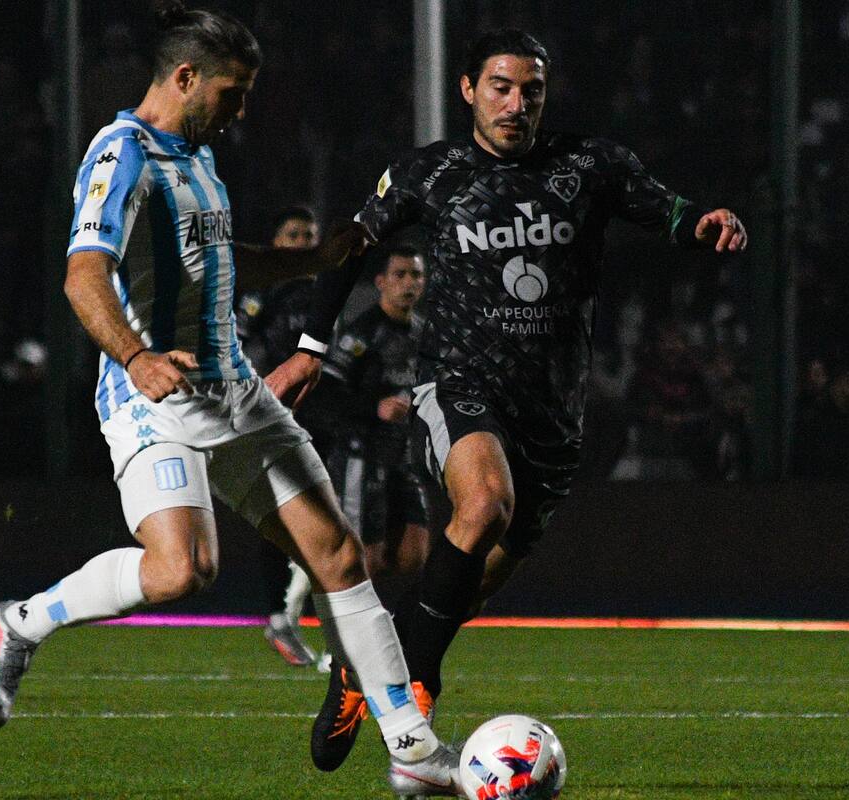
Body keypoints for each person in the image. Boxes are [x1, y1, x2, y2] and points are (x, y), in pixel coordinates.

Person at [0, 4, 460, 795]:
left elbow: (222, 267)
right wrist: (134, 357)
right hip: (151, 399)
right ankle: (19, 623)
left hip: (238, 392)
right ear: (185, 78)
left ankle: (411, 746)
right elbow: (82, 275)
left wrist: (306, 264)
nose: (241, 111)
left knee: (337, 556)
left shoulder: (199, 159)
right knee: (182, 572)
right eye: (233, 94)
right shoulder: (119, 154)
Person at [266, 28, 747, 772]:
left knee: (476, 577)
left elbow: (670, 211)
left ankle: (361, 666)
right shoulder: (430, 171)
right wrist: (310, 349)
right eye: (500, 86)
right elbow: (352, 242)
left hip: (552, 413)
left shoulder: (590, 164)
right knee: (483, 502)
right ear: (468, 90)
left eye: (531, 90)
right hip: (458, 385)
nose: (516, 103)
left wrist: (705, 223)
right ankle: (413, 688)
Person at [238, 206, 324, 667]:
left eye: (309, 234)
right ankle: (281, 614)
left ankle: (291, 616)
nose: (302, 241)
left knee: (329, 522)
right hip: (274, 418)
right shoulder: (264, 293)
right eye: (293, 233)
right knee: (283, 519)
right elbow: (235, 340)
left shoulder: (325, 291)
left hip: (327, 421)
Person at [319, 246, 430, 582]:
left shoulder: (425, 333)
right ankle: (349, 621)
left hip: (403, 454)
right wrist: (374, 408)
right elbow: (327, 392)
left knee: (413, 555)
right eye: (400, 274)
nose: (409, 282)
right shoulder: (361, 334)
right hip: (361, 453)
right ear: (381, 282)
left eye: (416, 274)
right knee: (366, 557)